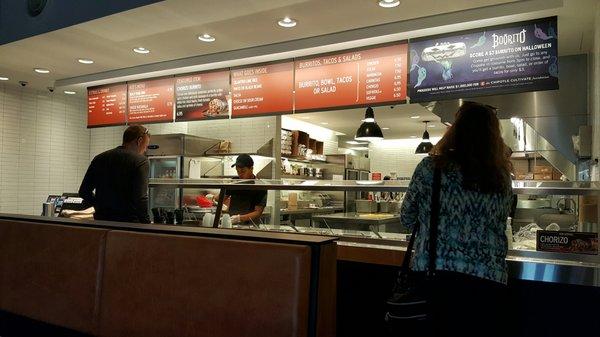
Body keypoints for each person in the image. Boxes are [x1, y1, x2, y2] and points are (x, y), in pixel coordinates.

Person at [400, 101, 513, 337]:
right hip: (487, 282)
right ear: (493, 136)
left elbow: (407, 218)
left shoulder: (430, 167)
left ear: (455, 131)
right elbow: (501, 220)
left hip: (435, 278)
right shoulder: (501, 176)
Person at [79, 125, 151, 223]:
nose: (145, 150)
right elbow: (141, 198)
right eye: (145, 146)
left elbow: (84, 191)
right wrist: (146, 223)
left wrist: (100, 206)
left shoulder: (99, 158)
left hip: (102, 221)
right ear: (139, 141)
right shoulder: (141, 161)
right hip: (129, 224)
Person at [225, 154, 267, 225]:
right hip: (232, 224)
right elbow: (222, 198)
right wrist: (211, 198)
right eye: (238, 171)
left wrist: (239, 218)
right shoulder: (234, 181)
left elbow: (258, 212)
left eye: (243, 171)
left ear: (251, 169)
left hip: (250, 226)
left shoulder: (259, 186)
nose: (240, 175)